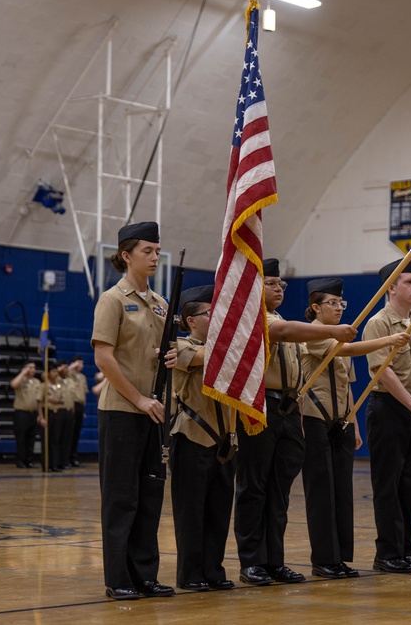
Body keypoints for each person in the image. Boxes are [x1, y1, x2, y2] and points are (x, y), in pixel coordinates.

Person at [233, 258, 358, 586]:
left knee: (279, 492)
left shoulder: (282, 320)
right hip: (259, 409)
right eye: (271, 283)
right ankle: (251, 562)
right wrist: (333, 330)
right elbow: (284, 332)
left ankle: (274, 561)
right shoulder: (257, 318)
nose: (278, 289)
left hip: (287, 411)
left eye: (281, 284)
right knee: (254, 488)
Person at [301, 277, 409, 579]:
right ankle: (323, 559)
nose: (338, 308)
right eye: (332, 303)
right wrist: (387, 340)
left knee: (341, 491)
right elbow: (343, 352)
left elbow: (348, 385)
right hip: (315, 418)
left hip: (342, 422)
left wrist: (355, 424)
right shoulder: (311, 334)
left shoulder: (343, 336)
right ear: (315, 307)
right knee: (321, 491)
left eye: (341, 303)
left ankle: (339, 557)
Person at [91, 221, 176, 601]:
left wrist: (171, 355)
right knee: (121, 497)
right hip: (122, 411)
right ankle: (118, 577)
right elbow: (104, 357)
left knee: (150, 497)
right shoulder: (112, 299)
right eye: (148, 251)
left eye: (158, 251)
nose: (155, 257)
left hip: (154, 412)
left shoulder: (161, 305)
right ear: (126, 255)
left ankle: (145, 575)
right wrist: (139, 399)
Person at [362, 258, 411, 573]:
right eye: (409, 282)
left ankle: (407, 551)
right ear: (391, 287)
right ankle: (387, 553)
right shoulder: (379, 323)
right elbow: (383, 373)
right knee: (388, 484)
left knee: (410, 485)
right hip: (389, 409)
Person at [170, 284, 237, 593]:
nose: (217, 317)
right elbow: (208, 358)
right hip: (193, 437)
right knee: (191, 512)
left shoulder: (226, 347)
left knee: (218, 510)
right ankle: (190, 572)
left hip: (224, 440)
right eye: (211, 313)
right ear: (190, 319)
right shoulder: (181, 346)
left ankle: (213, 569)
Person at [10, 362, 43, 468]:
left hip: (33, 413)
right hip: (21, 413)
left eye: (34, 367)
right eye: (30, 367)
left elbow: (39, 400)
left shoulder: (37, 382)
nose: (32, 369)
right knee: (21, 438)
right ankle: (20, 460)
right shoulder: (21, 380)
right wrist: (22, 373)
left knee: (31, 438)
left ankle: (29, 460)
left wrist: (40, 414)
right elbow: (13, 384)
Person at [43, 365, 68, 472]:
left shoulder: (58, 384)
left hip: (58, 413)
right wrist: (40, 416)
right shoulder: (44, 385)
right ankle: (47, 464)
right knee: (47, 440)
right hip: (48, 412)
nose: (55, 373)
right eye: (53, 371)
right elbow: (39, 401)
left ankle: (55, 463)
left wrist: (55, 400)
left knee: (56, 439)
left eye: (56, 371)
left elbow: (61, 398)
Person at [67, 356, 88, 466]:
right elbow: (65, 372)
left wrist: (83, 409)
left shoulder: (82, 377)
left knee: (76, 434)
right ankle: (66, 457)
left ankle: (73, 457)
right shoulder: (68, 374)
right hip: (71, 405)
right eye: (79, 363)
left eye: (82, 363)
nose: (81, 365)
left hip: (79, 406)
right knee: (69, 433)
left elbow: (84, 393)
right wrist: (73, 365)